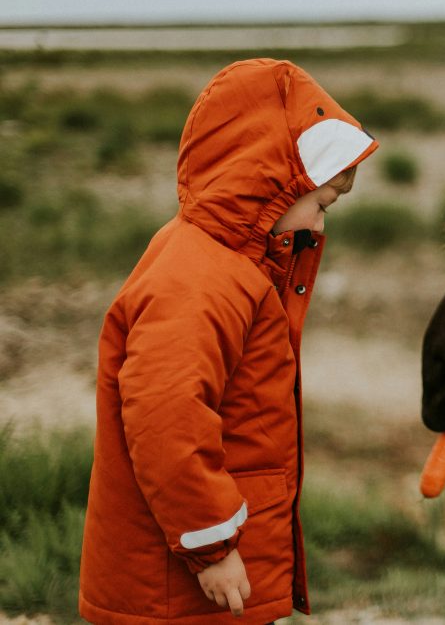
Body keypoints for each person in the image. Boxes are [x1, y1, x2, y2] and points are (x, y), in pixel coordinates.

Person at [78, 58, 378, 624]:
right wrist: (209, 545)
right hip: (178, 583)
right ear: (268, 178)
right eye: (321, 203)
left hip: (205, 571)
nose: (319, 227)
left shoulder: (232, 266)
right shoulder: (200, 278)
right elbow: (166, 415)